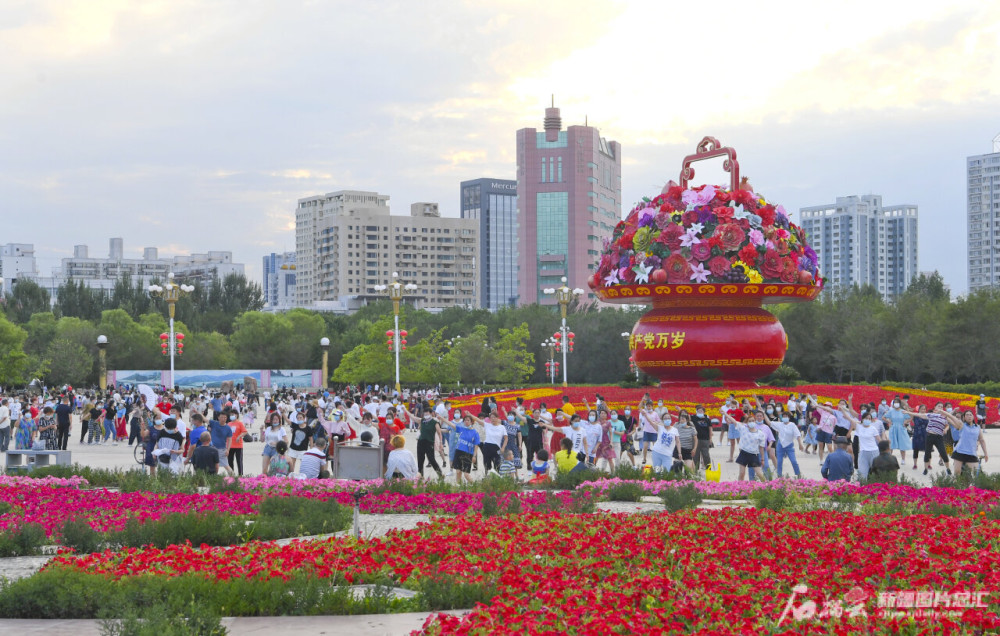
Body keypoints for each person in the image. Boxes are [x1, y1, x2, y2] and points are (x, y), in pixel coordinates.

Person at [903, 403, 952, 476]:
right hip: (929, 436)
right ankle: (925, 469)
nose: (940, 408)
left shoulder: (944, 417)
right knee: (927, 453)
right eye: (939, 406)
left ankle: (948, 469)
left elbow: (947, 425)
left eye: (941, 407)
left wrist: (945, 429)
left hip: (939, 437)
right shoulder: (931, 415)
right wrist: (908, 412)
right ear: (935, 407)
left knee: (943, 453)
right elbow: (919, 415)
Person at [944, 409, 989, 476]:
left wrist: (980, 447)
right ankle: (959, 483)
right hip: (958, 446)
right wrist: (947, 412)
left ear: (973, 417)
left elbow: (980, 440)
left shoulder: (976, 427)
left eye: (970, 415)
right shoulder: (960, 425)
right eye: (967, 415)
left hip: (970, 450)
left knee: (975, 472)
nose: (969, 416)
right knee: (958, 472)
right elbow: (948, 417)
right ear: (964, 417)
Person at [724, 411, 764, 481]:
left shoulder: (760, 433)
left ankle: (767, 486)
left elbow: (761, 447)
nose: (751, 422)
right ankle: (740, 487)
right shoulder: (743, 429)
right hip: (744, 453)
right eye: (749, 421)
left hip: (754, 454)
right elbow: (734, 421)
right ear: (747, 423)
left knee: (759, 473)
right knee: (742, 473)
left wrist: (762, 458)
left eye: (753, 421)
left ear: (755, 422)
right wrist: (725, 414)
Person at [766, 409, 802, 479]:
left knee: (793, 461)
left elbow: (797, 435)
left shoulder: (792, 425)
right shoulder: (780, 424)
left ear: (789, 417)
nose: (785, 418)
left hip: (789, 445)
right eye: (784, 416)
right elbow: (769, 423)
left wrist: (800, 444)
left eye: (786, 416)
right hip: (780, 445)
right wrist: (764, 413)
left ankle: (798, 475)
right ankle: (779, 476)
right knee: (779, 461)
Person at [451, 414, 480, 485]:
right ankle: (458, 487)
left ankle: (475, 485)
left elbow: (476, 445)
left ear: (471, 422)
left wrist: (474, 456)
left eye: (468, 420)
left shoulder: (475, 432)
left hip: (468, 454)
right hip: (458, 451)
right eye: (465, 420)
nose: (466, 422)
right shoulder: (462, 429)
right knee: (458, 472)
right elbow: (452, 425)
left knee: (466, 474)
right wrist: (442, 418)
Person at [883, 399, 912, 464]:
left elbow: (910, 417)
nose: (896, 404)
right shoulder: (891, 411)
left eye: (897, 403)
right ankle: (889, 458)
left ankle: (903, 459)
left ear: (899, 404)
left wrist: (906, 422)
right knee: (891, 444)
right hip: (893, 428)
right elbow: (883, 417)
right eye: (895, 403)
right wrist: (889, 421)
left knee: (902, 444)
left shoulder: (903, 411)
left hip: (901, 428)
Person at [691, 406, 713, 471]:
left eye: (701, 411)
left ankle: (708, 470)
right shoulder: (694, 418)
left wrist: (710, 438)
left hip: (705, 440)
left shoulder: (707, 420)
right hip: (696, 440)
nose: (700, 412)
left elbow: (710, 429)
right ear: (696, 412)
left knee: (706, 455)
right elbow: (684, 417)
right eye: (698, 411)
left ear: (704, 412)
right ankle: (695, 471)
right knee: (696, 456)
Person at [228, 411, 248, 476]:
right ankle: (231, 474)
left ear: (236, 415)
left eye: (233, 414)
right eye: (230, 414)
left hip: (238, 445)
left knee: (239, 461)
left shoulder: (240, 423)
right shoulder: (229, 424)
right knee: (230, 461)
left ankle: (240, 475)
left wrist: (239, 436)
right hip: (230, 445)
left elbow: (245, 432)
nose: (231, 415)